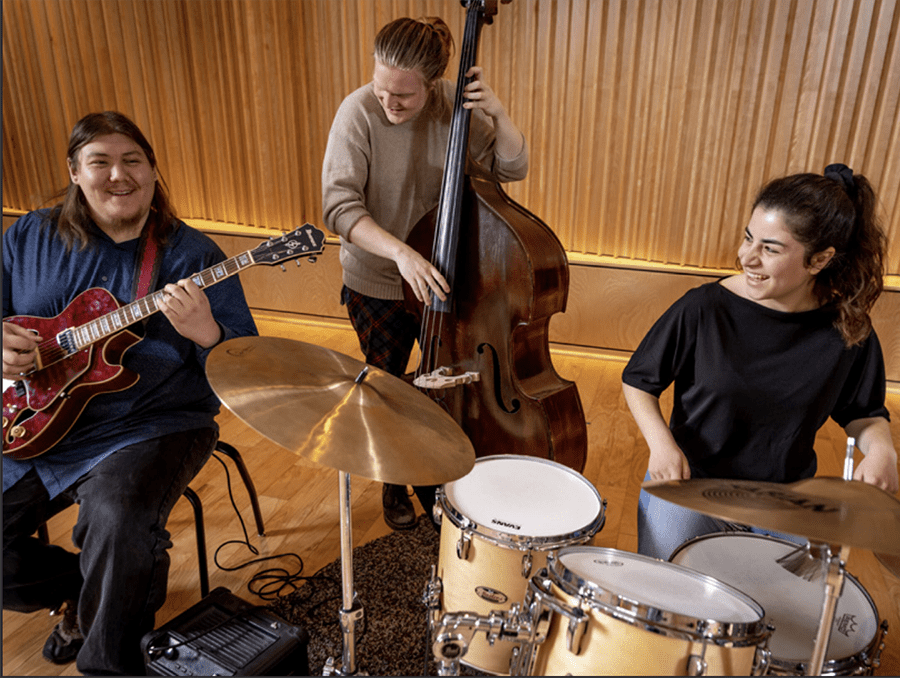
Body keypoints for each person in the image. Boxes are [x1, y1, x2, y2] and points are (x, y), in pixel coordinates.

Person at [2, 111, 258, 675]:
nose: (118, 175)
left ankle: (107, 664)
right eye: (100, 162)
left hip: (151, 422)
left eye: (132, 160)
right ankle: (82, 588)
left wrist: (206, 333)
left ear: (153, 171)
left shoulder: (193, 257)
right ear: (74, 172)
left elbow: (246, 362)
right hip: (36, 417)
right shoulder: (28, 235)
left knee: (116, 522)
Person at [622, 164, 899, 561]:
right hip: (692, 484)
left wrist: (883, 451)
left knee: (777, 614)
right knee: (667, 602)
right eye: (749, 238)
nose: (746, 257)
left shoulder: (847, 328)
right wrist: (661, 445)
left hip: (784, 498)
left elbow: (864, 413)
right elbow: (639, 381)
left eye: (770, 249)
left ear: (819, 260)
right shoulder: (704, 307)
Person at [321, 16, 529, 530]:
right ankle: (396, 483)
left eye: (404, 97)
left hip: (444, 281)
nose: (389, 103)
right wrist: (401, 254)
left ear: (433, 84)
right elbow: (338, 208)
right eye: (381, 88)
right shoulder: (358, 112)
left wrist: (498, 113)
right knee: (388, 387)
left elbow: (512, 168)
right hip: (378, 280)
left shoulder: (451, 111)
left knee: (443, 386)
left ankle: (443, 477)